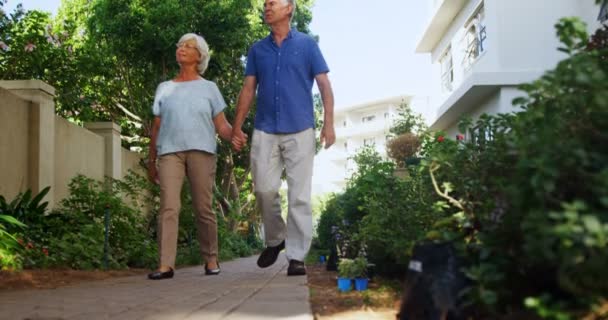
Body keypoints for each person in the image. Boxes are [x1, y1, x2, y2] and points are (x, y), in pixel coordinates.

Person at [231, 0, 335, 276]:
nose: (266, 7)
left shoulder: (308, 45)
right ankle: (276, 239)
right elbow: (248, 88)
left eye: (272, 3)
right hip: (265, 129)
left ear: (289, 9)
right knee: (264, 189)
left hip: (301, 128)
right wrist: (236, 126)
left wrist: (329, 123)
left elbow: (324, 84)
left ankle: (297, 256)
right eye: (265, 4)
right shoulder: (257, 50)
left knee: (300, 195)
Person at [147, 33, 232, 280]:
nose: (181, 48)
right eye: (179, 45)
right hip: (169, 152)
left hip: (201, 151)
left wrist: (235, 135)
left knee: (203, 207)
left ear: (200, 56)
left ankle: (211, 258)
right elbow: (156, 126)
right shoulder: (164, 88)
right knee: (168, 207)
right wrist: (151, 160)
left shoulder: (209, 88)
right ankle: (165, 265)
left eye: (188, 46)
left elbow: (222, 125)